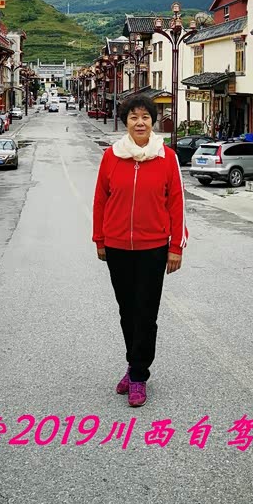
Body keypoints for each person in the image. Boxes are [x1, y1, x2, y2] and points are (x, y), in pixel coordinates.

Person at [93, 93, 187, 408]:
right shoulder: (111, 156)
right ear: (126, 122)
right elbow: (100, 200)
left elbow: (177, 203)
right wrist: (99, 239)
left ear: (152, 121)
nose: (140, 122)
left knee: (146, 313)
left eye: (145, 117)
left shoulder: (167, 157)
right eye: (134, 117)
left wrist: (176, 246)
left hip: (153, 248)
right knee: (127, 311)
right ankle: (134, 363)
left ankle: (138, 375)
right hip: (117, 246)